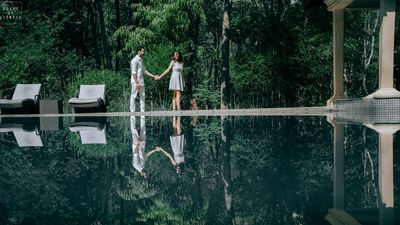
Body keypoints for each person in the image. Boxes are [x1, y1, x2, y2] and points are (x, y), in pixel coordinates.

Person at [130, 47, 157, 112]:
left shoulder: (141, 60)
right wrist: (137, 82)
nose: (144, 52)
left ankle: (142, 112)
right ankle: (132, 112)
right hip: (135, 81)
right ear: (139, 52)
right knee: (133, 96)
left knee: (143, 97)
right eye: (143, 51)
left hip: (141, 81)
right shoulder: (134, 60)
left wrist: (153, 76)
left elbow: (145, 71)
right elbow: (134, 73)